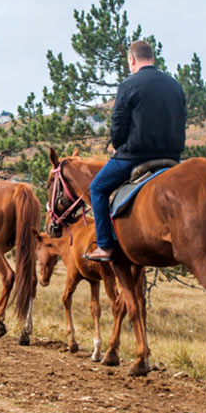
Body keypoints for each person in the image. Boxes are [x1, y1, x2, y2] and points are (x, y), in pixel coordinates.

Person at [85, 40, 187, 261]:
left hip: (135, 156)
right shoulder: (174, 85)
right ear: (152, 57)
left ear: (132, 59)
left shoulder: (129, 85)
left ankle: (105, 245)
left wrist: (117, 146)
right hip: (172, 156)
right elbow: (181, 120)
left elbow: (118, 126)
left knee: (98, 189)